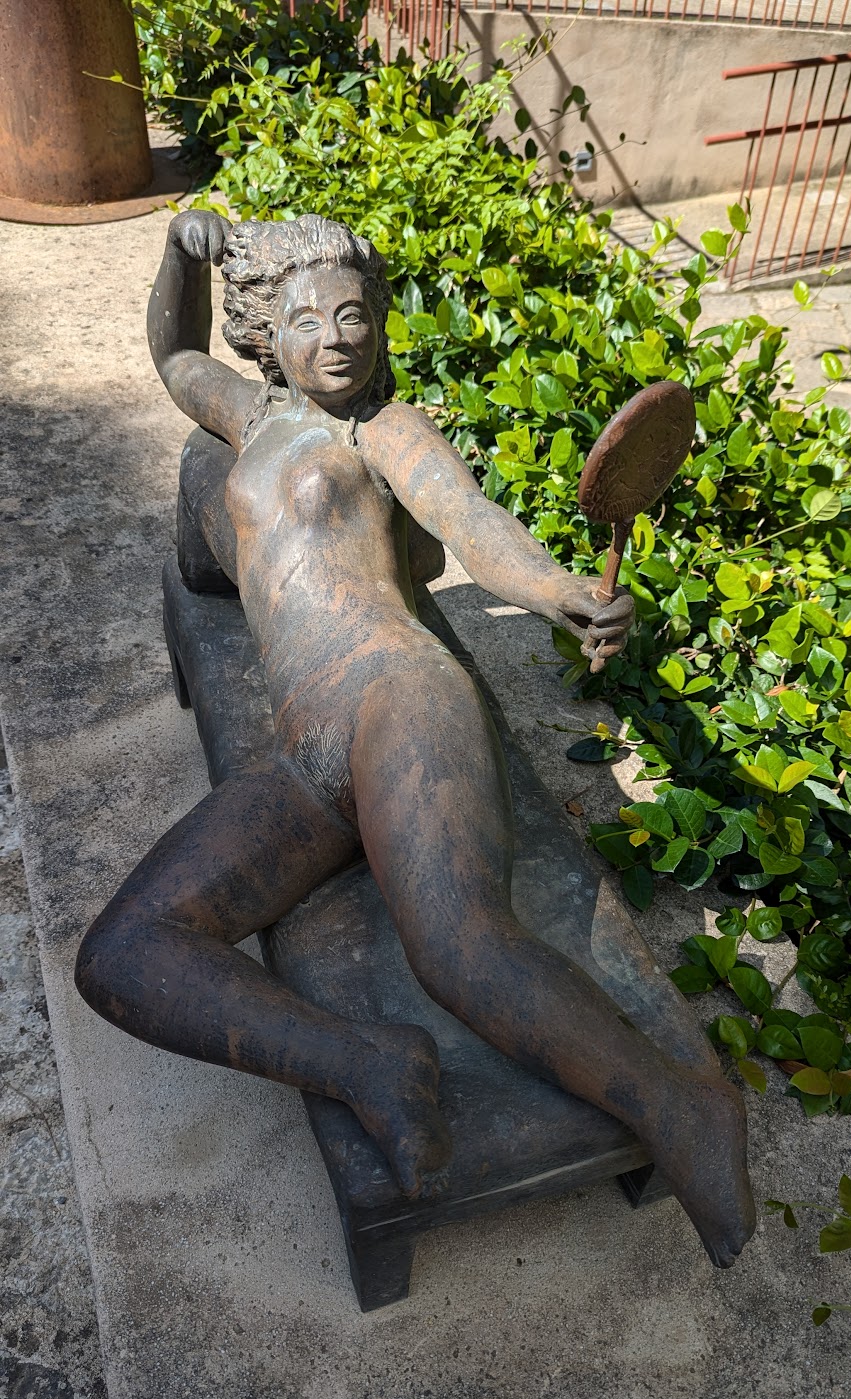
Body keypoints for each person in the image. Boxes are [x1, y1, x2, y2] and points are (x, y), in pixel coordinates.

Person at [76, 211, 755, 1266]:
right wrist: (178, 253)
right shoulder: (250, 416)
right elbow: (172, 355)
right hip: (307, 754)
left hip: (398, 692)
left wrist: (558, 591)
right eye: (308, 319)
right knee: (123, 953)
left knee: (459, 946)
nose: (336, 338)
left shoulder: (383, 429)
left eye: (356, 315)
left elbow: (469, 521)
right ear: (266, 336)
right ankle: (368, 1063)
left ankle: (683, 1107)